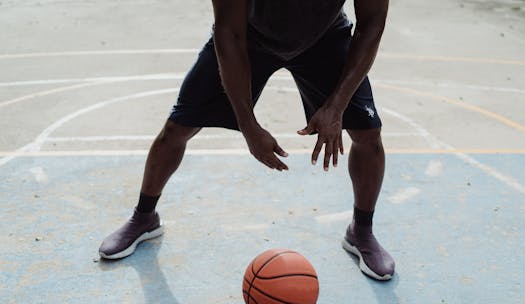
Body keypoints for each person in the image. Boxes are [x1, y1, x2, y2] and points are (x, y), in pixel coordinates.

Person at [99, 0, 395, 281]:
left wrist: (337, 105)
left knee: (368, 135)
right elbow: (229, 32)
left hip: (324, 37)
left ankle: (361, 231)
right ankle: (144, 217)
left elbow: (372, 23)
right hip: (249, 37)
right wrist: (248, 125)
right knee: (178, 128)